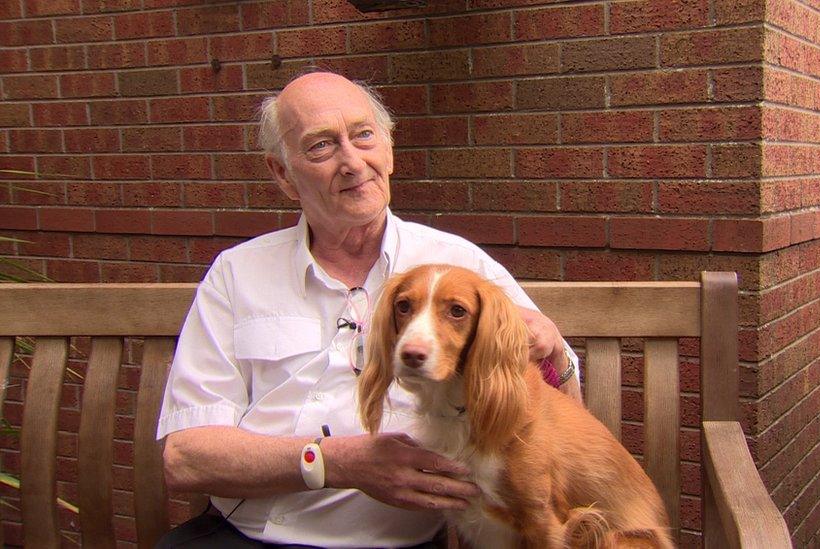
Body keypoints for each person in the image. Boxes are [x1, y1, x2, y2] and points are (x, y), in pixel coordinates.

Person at [156, 70, 580, 548]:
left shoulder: (460, 267)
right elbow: (186, 457)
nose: (352, 162)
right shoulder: (237, 274)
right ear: (283, 174)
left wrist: (555, 352)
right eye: (321, 146)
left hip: (402, 542)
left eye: (363, 136)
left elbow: (557, 412)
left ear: (389, 150)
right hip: (248, 535)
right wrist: (337, 462)